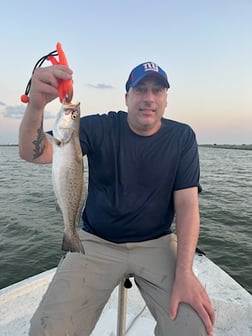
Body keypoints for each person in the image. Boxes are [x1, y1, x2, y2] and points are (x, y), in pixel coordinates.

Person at [19, 61, 215, 336]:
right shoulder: (98, 127)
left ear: (165, 99)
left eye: (157, 91)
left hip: (156, 243)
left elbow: (187, 206)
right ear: (127, 97)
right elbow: (32, 152)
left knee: (194, 329)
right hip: (95, 241)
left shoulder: (181, 137)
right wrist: (37, 105)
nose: (148, 98)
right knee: (47, 330)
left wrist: (185, 273)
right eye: (140, 90)